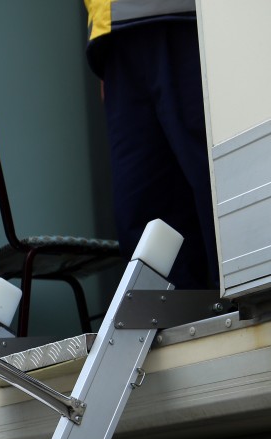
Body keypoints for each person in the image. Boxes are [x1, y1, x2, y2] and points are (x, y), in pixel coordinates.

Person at [84, 0, 218, 290]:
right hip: (114, 37)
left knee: (214, 180)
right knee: (143, 207)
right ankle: (172, 324)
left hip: (188, 18)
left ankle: (250, 305)